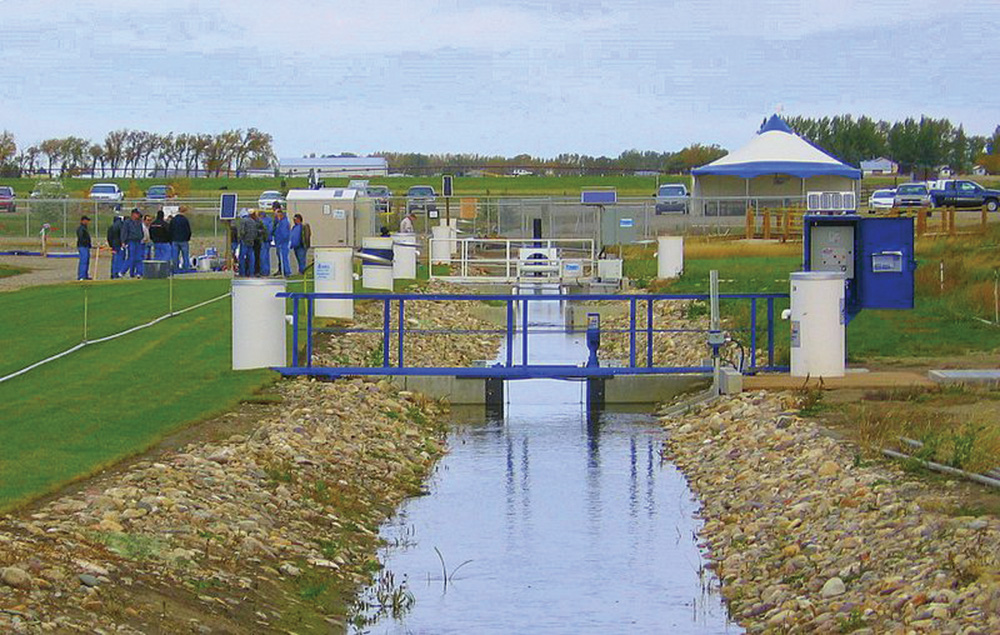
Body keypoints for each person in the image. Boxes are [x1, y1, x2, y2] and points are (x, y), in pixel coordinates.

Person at [120, 208, 145, 278]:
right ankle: (122, 271)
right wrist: (123, 241)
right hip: (131, 241)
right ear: (133, 214)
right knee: (131, 258)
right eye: (137, 214)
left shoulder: (139, 222)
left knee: (139, 258)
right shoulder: (127, 222)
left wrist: (141, 236)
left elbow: (141, 231)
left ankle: (139, 272)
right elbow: (124, 232)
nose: (138, 216)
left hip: (138, 242)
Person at [169, 206, 192, 272]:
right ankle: (186, 268)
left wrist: (171, 238)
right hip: (184, 240)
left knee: (175, 256)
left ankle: (175, 269)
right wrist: (187, 238)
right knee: (185, 256)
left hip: (175, 240)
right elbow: (188, 230)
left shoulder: (173, 220)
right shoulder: (185, 220)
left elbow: (170, 230)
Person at [237, 211, 259, 276]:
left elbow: (242, 231)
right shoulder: (253, 221)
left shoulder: (243, 221)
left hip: (244, 241)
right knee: (251, 258)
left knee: (242, 257)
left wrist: (240, 238)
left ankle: (242, 273)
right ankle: (251, 272)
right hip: (251, 241)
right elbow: (255, 232)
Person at [272, 208, 291, 277]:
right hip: (279, 242)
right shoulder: (280, 222)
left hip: (282, 243)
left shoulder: (283, 223)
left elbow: (284, 234)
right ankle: (283, 271)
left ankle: (286, 272)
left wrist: (280, 242)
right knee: (282, 258)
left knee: (284, 258)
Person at [76, 215, 93, 281]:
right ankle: (81, 276)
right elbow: (81, 238)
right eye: (86, 220)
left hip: (86, 246)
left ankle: (85, 275)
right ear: (83, 221)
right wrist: (86, 243)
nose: (87, 222)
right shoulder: (81, 229)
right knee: (83, 261)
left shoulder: (84, 228)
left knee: (86, 261)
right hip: (83, 246)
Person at [258, 209, 273, 276]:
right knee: (267, 256)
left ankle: (264, 271)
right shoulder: (270, 221)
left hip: (263, 240)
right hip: (268, 240)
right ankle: (267, 271)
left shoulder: (262, 222)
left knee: (263, 256)